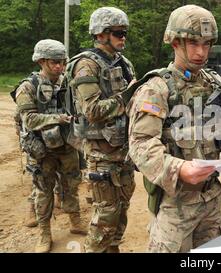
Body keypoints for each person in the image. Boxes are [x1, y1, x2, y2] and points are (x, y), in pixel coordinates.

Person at [126, 4, 221, 253]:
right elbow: (140, 144)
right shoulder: (156, 89)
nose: (201, 52)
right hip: (176, 204)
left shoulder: (215, 83)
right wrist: (179, 168)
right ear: (175, 43)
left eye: (206, 44)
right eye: (193, 43)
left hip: (212, 197)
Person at [66, 7, 136, 253]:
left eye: (124, 33)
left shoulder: (123, 63)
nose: (123, 38)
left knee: (121, 212)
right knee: (105, 217)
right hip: (100, 154)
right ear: (101, 34)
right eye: (118, 33)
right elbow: (92, 111)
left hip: (123, 151)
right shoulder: (86, 65)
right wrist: (126, 98)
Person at [15, 39, 86, 253]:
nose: (59, 66)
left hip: (67, 144)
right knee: (44, 190)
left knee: (71, 184)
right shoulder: (28, 87)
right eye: (54, 62)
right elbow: (29, 120)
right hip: (41, 148)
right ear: (41, 61)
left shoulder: (68, 84)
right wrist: (58, 118)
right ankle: (44, 233)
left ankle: (75, 220)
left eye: (62, 62)